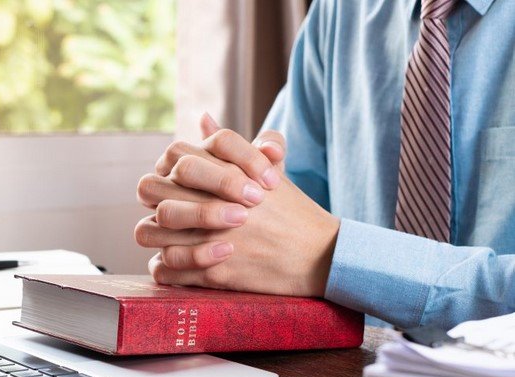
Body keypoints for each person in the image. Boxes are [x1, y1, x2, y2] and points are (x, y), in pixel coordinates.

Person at [134, 0, 515, 329]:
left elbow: (306, 244)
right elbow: (276, 210)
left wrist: (332, 255)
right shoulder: (341, 11)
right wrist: (218, 207)